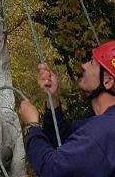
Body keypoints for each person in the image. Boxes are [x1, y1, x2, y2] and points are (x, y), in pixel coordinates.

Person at [18, 44, 115, 175]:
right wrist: (53, 98)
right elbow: (63, 139)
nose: (84, 65)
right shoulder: (101, 124)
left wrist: (31, 126)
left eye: (92, 62)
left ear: (108, 82)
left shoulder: (103, 131)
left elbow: (52, 169)